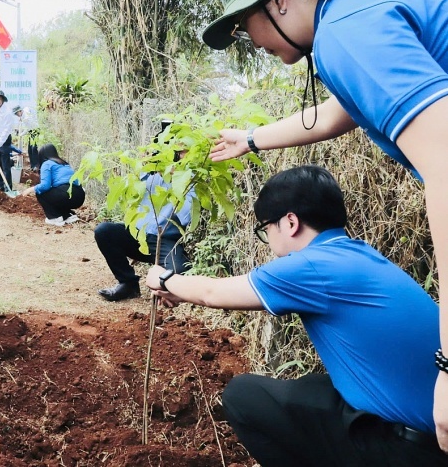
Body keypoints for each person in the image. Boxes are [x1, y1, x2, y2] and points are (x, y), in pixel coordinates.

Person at [200, 0, 448, 449]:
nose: (249, 40)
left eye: (245, 25)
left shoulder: (347, 32)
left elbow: (447, 170)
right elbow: (341, 111)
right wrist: (251, 138)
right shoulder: (358, 13)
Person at [145, 166, 446, 466]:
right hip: (429, 432)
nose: (269, 240)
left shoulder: (312, 266)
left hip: (410, 451)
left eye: (266, 229)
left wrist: (164, 279)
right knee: (312, 389)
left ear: (290, 222)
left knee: (244, 395)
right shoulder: (357, 253)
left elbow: (213, 293)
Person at [95, 165, 193, 301]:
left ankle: (162, 291)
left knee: (178, 272)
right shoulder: (148, 173)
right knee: (104, 231)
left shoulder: (187, 177)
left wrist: (175, 179)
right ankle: (128, 284)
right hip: (139, 235)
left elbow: (187, 216)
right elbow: (132, 196)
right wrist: (144, 167)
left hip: (165, 240)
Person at [21, 143, 85, 226]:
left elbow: (45, 185)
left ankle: (55, 218)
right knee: (56, 194)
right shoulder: (64, 163)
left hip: (65, 193)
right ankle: (68, 216)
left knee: (41, 193)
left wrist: (30, 189)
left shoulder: (47, 164)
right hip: (79, 196)